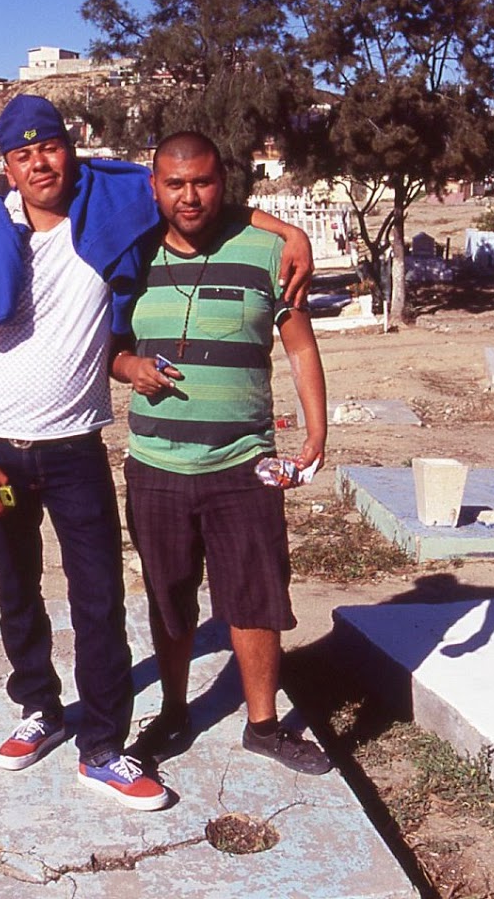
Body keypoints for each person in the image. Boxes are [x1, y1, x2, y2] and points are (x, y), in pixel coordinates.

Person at [0, 96, 314, 811]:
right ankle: (39, 707)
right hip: (3, 450)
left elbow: (194, 197)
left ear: (69, 148)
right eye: (22, 155)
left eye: (49, 147)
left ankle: (102, 746)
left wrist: (286, 228)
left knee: (100, 601)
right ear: (7, 167)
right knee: (17, 589)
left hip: (76, 449)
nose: (39, 163)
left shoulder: (111, 216)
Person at [113, 130, 332, 776]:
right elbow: (106, 349)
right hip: (156, 465)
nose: (190, 196)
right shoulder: (131, 255)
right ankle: (174, 712)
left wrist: (316, 433)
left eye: (203, 182)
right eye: (175, 184)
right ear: (154, 187)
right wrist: (130, 368)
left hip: (244, 463)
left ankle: (263, 725)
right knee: (169, 596)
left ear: (224, 184)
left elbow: (301, 347)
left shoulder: (268, 253)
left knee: (256, 595)